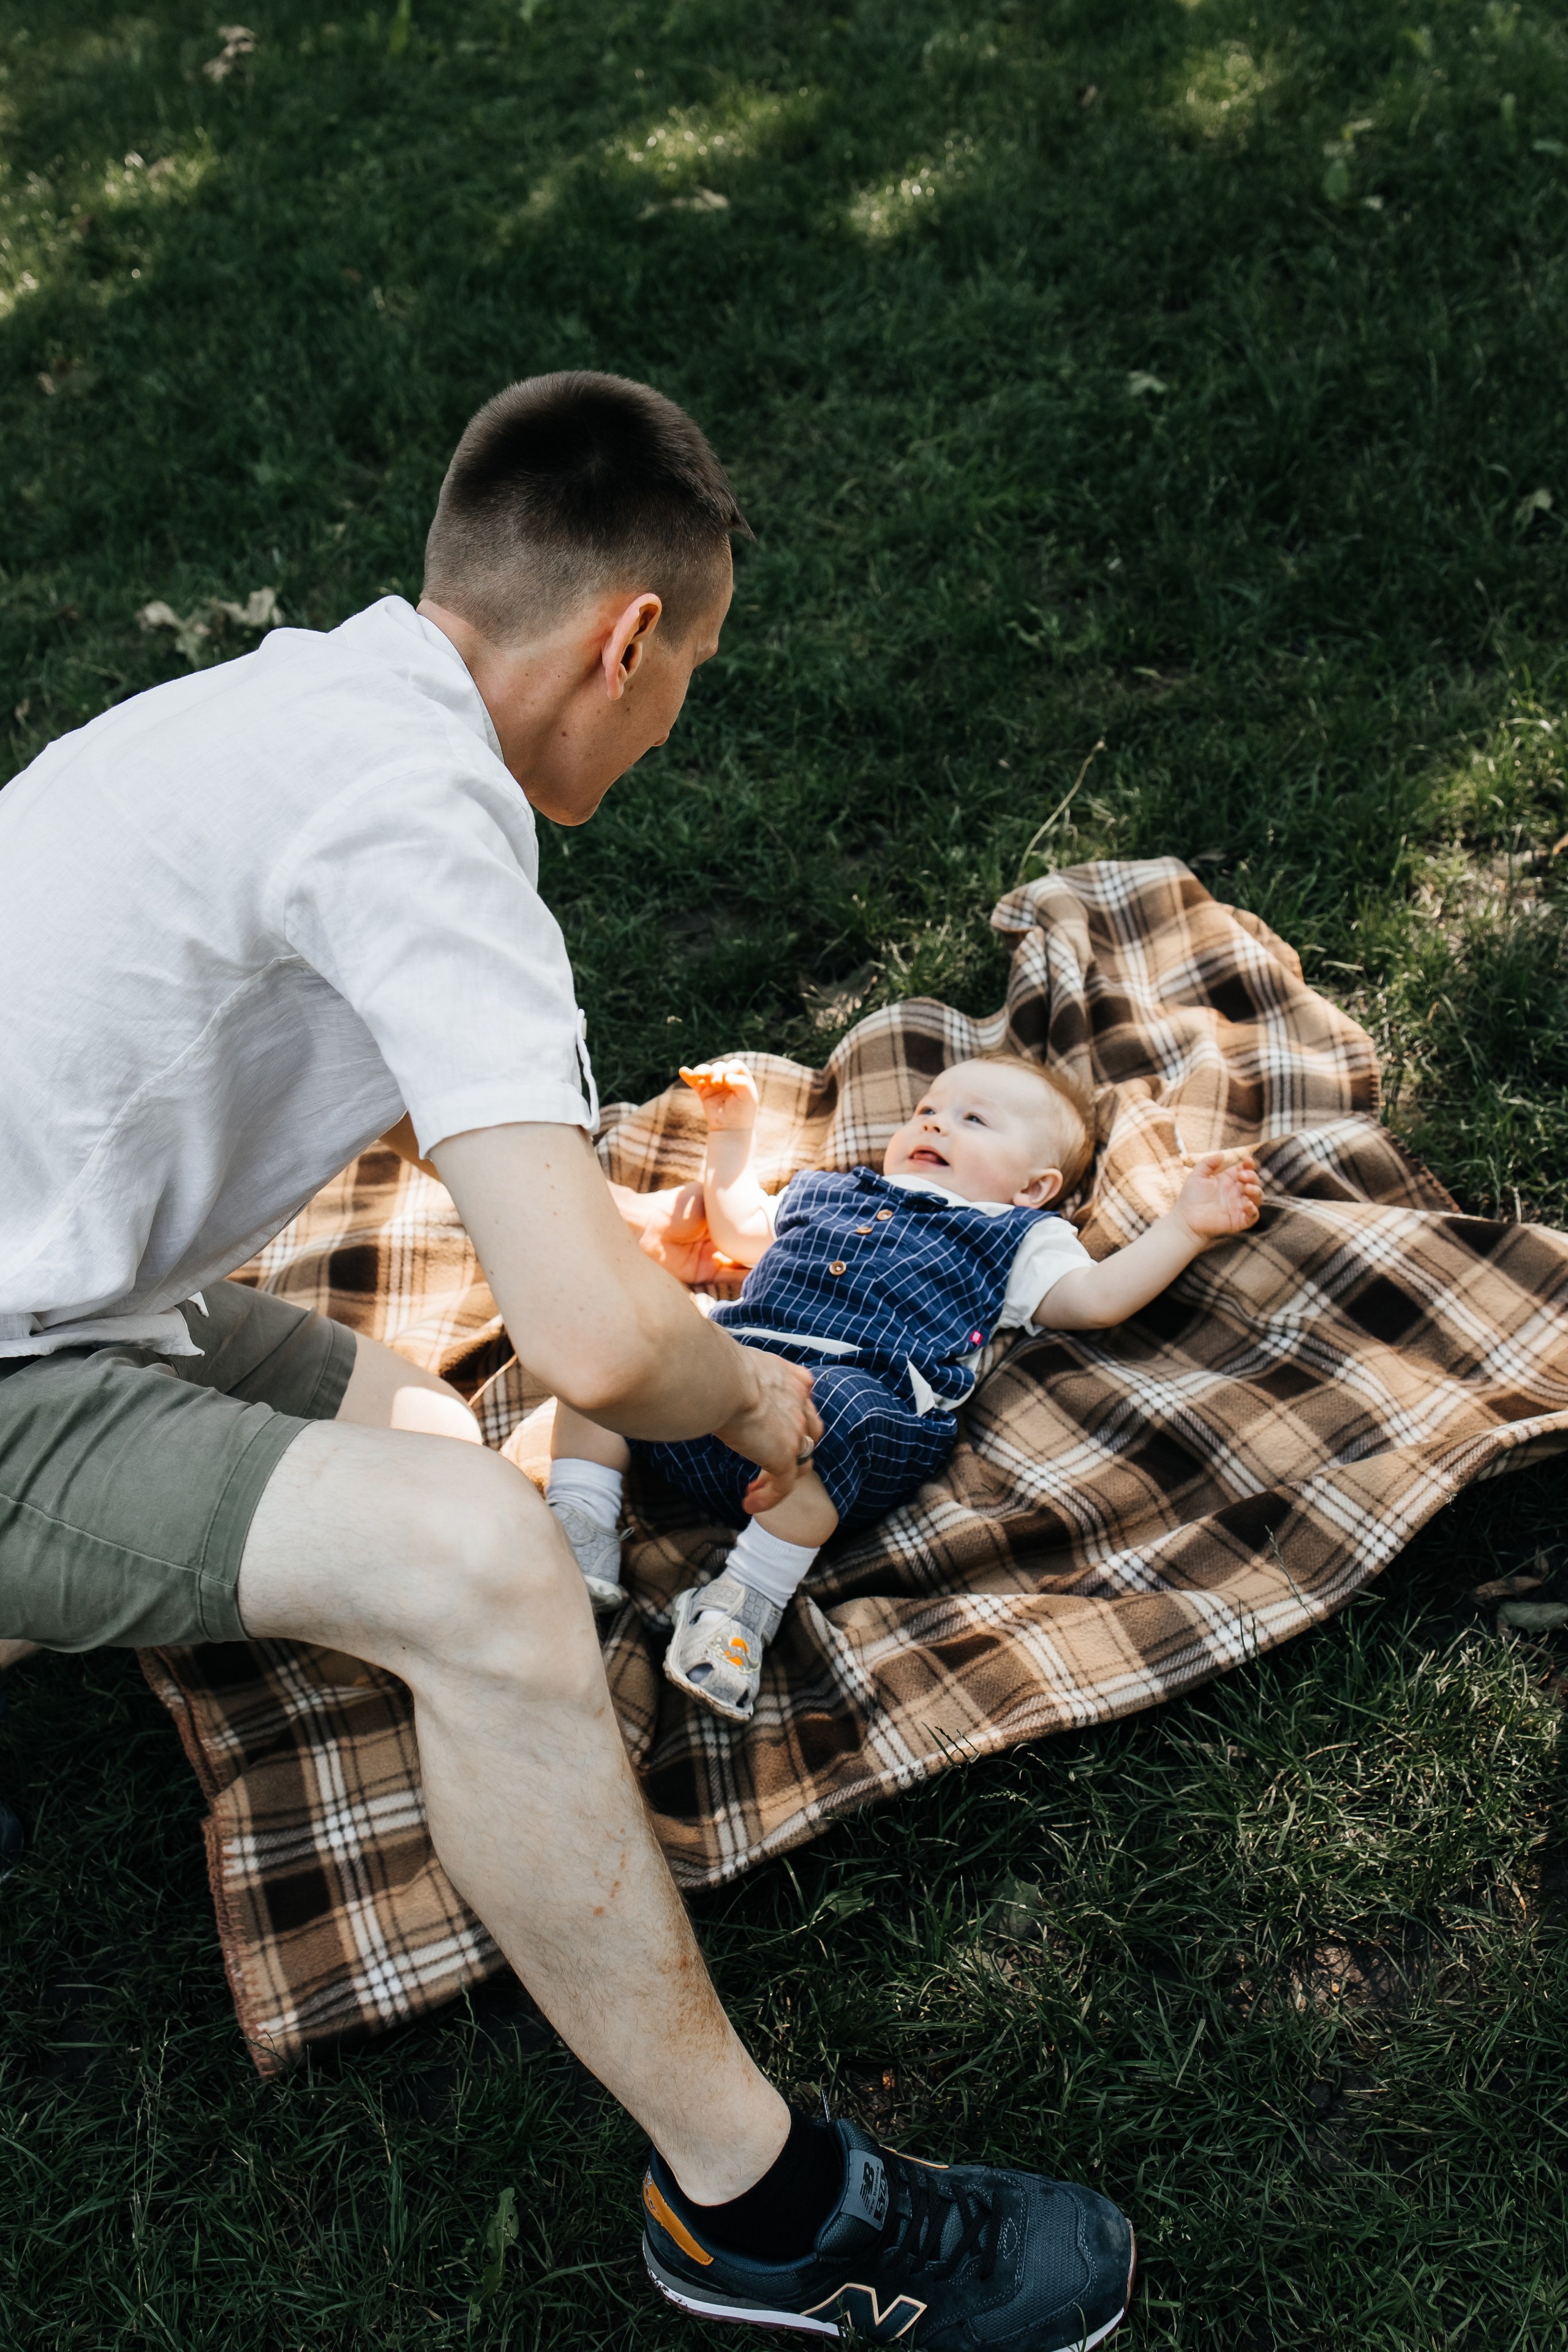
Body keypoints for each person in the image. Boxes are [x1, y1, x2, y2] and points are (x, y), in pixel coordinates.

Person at [0, 372, 1136, 2348]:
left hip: (74, 1299)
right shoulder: (425, 821)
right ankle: (769, 2216)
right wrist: (755, 1394)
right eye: (689, 670)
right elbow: (604, 1345)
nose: (679, 716)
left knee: (416, 1422)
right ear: (628, 638)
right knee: (482, 1557)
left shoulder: (285, 704)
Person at [550, 1055, 1264, 1721]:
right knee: (612, 1343)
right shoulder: (827, 1188)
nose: (933, 1122)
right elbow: (737, 1229)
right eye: (928, 1108)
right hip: (713, 1397)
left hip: (848, 1424)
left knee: (836, 1409)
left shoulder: (1015, 1234)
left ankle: (742, 1603)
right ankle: (582, 1522)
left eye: (972, 1120)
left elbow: (1096, 1297)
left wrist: (1185, 1226)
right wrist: (732, 1132)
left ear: (1034, 1185)